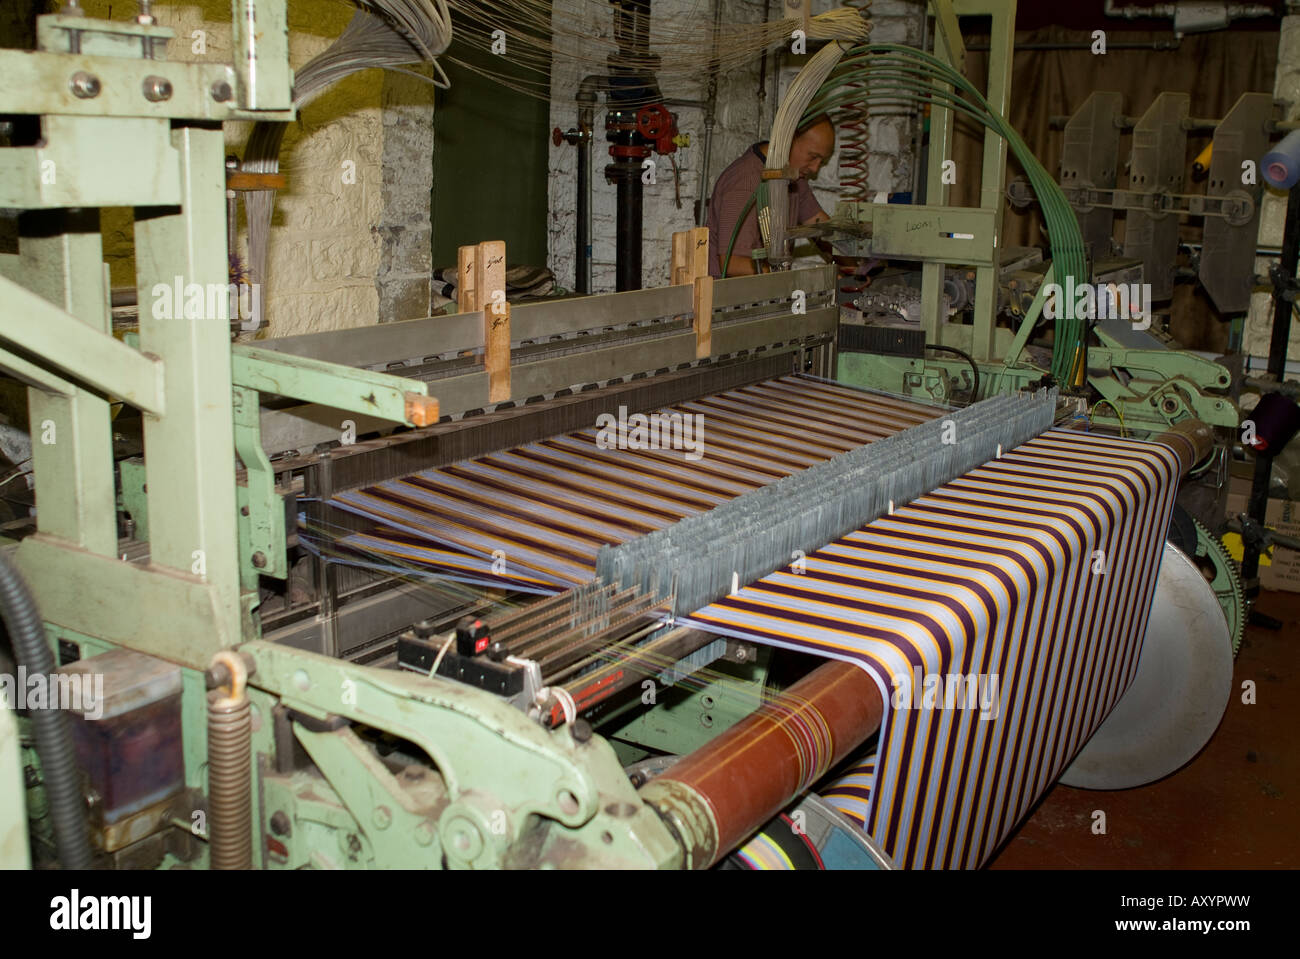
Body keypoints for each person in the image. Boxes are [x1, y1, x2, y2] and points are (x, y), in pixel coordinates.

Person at [706, 115, 835, 278]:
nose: (815, 168)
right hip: (728, 297)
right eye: (813, 156)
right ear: (788, 139)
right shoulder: (747, 182)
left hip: (765, 291)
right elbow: (733, 264)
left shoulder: (793, 177)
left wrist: (854, 265)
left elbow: (820, 225)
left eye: (822, 161)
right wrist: (799, 278)